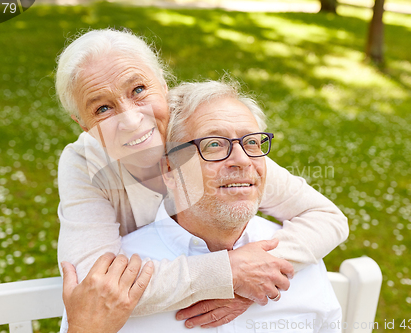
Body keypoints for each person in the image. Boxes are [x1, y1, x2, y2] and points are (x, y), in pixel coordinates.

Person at [55, 28, 348, 331]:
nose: (130, 120)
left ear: (163, 85)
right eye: (103, 108)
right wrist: (227, 274)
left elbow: (327, 218)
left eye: (139, 90)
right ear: (82, 123)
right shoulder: (83, 163)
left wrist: (259, 274)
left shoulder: (202, 133)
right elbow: (94, 291)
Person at [116, 80, 342, 332]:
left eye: (252, 143)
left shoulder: (300, 253)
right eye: (214, 144)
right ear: (170, 170)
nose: (243, 160)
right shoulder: (119, 273)